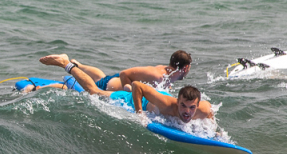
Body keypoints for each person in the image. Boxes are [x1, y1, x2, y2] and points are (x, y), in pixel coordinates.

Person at [40, 53, 213, 123]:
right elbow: (138, 86)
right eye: (183, 105)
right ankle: (66, 64)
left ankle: (76, 64)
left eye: (191, 108)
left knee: (101, 77)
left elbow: (210, 112)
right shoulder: (167, 103)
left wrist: (216, 131)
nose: (187, 111)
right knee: (94, 92)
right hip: (137, 97)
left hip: (149, 94)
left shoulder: (201, 109)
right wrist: (140, 114)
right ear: (178, 101)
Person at [26, 51, 192, 92]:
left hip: (110, 81)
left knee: (101, 76)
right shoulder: (157, 74)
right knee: (76, 90)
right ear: (185, 68)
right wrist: (128, 87)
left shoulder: (169, 73)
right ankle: (37, 88)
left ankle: (76, 63)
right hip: (108, 87)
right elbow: (124, 73)